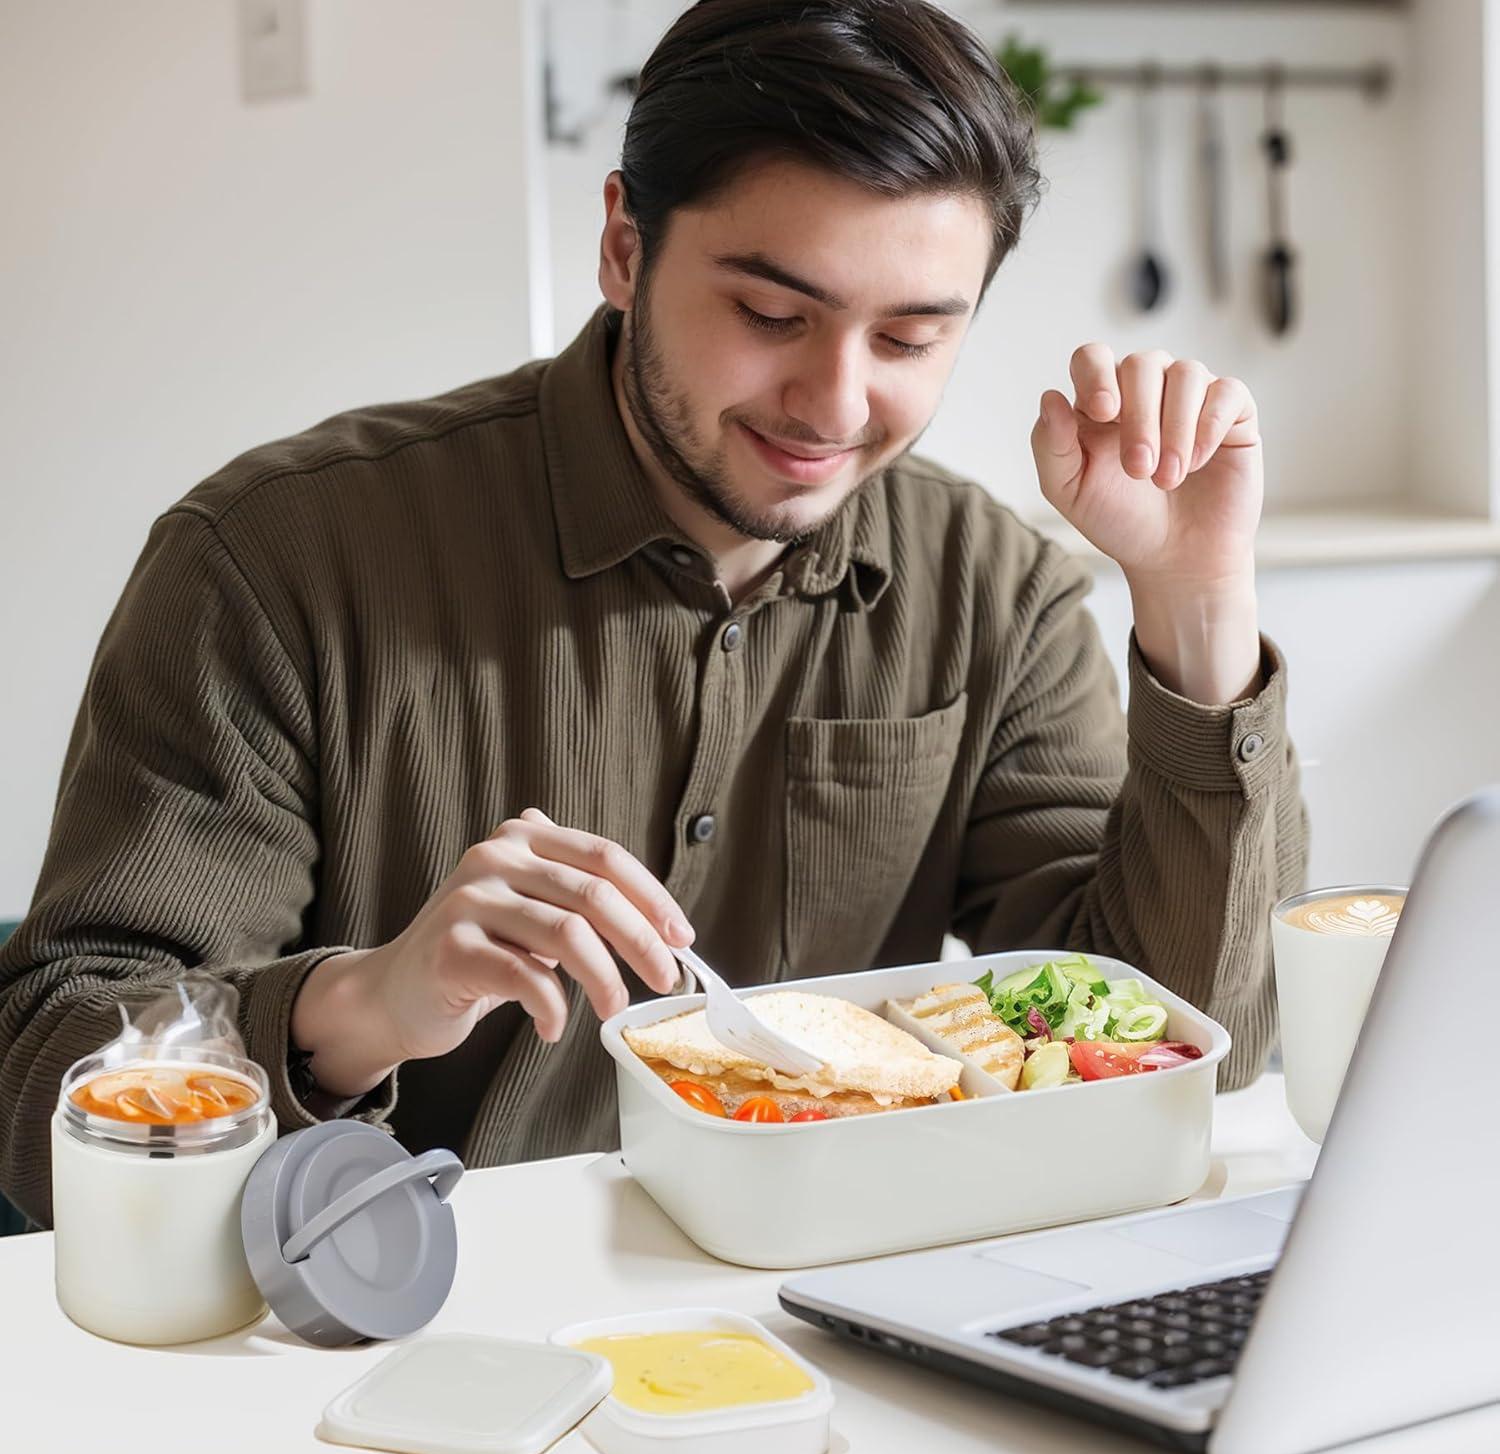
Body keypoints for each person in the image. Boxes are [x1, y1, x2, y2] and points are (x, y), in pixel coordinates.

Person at [0, 0, 1306, 1227]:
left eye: (909, 340)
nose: (834, 405)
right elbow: (46, 1095)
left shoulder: (994, 588)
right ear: (625, 246)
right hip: (391, 1344)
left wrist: (1197, 615)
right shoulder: (275, 560)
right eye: (772, 313)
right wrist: (364, 1005)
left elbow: (1204, 1047)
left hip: (839, 1320)